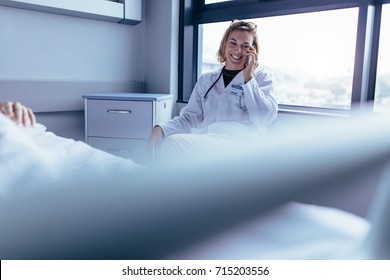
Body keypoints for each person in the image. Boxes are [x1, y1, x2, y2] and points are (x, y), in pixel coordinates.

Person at [148, 20, 278, 159]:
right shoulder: (207, 80)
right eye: (233, 43)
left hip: (242, 146)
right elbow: (189, 118)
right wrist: (162, 129)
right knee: (173, 145)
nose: (238, 50)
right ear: (224, 44)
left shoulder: (261, 77)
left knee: (174, 143)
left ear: (253, 51)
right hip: (210, 141)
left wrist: (248, 78)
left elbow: (264, 118)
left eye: (245, 46)